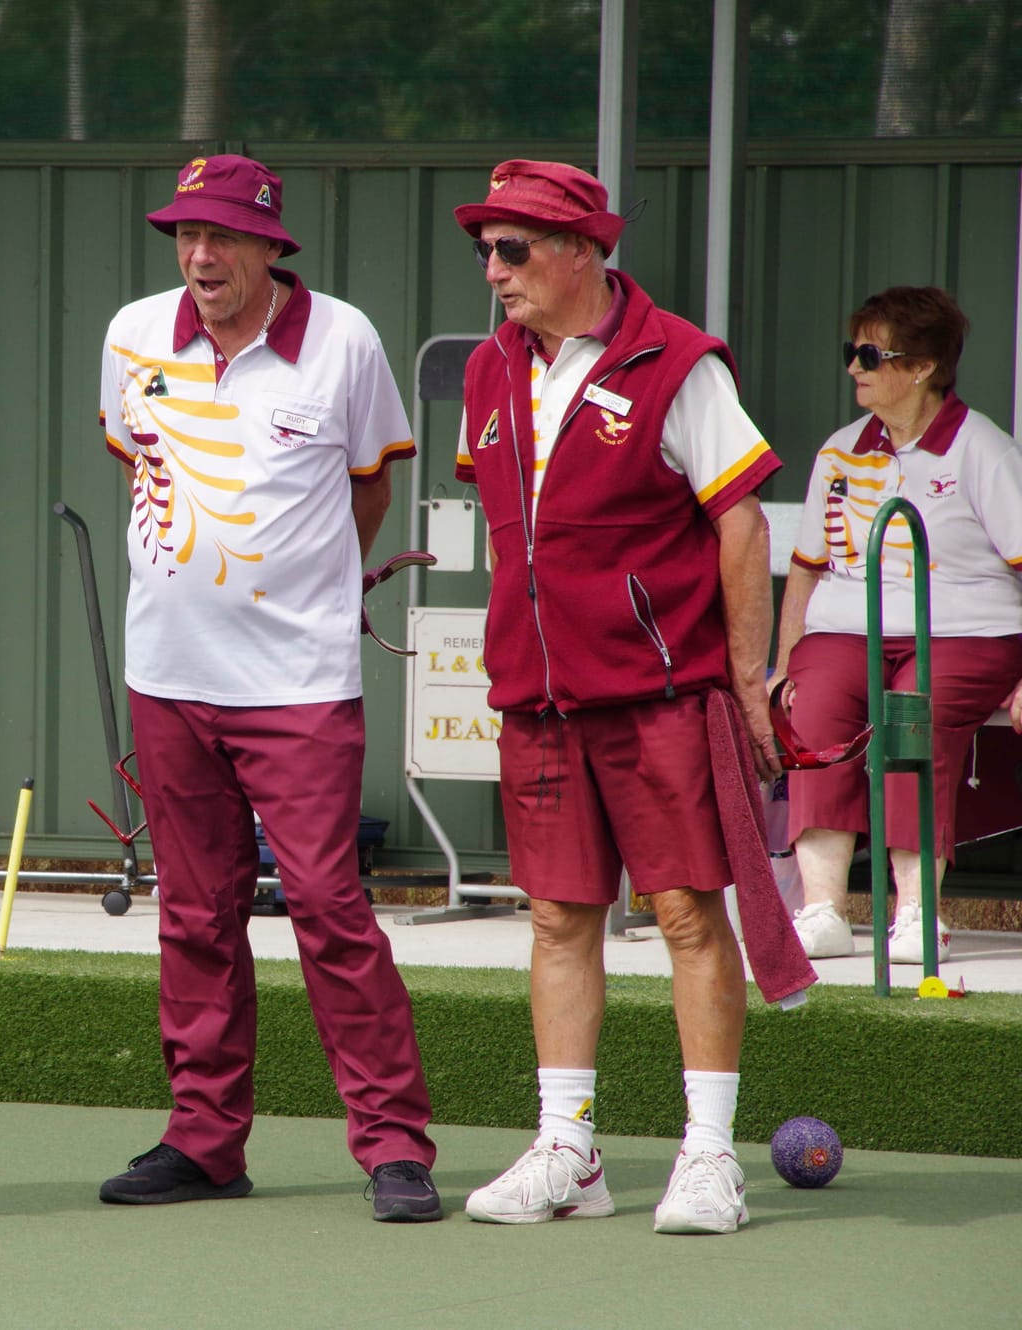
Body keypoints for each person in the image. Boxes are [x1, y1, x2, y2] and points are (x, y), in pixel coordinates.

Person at [451, 161, 805, 1235]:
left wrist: (743, 676)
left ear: (579, 251)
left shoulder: (678, 362)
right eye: (484, 250)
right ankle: (570, 1150)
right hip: (538, 699)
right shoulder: (485, 369)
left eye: (511, 250)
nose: (492, 271)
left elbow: (739, 521)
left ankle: (708, 1158)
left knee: (688, 915)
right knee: (557, 918)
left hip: (658, 692)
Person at [95, 154, 442, 1223]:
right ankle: (205, 1142)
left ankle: (392, 1146)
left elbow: (368, 487)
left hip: (298, 682)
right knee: (191, 913)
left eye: (220, 239)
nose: (198, 257)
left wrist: (306, 591)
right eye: (182, 238)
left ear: (267, 245)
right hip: (166, 676)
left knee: (330, 909)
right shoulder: (129, 333)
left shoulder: (344, 339)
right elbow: (132, 464)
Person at [773, 287, 1022, 963]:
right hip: (844, 631)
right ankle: (821, 910)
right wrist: (783, 663)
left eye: (869, 355)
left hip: (965, 633)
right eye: (850, 353)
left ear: (921, 368)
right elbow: (805, 568)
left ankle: (916, 915)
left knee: (911, 718)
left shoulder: (983, 451)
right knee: (815, 715)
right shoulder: (840, 449)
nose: (853, 367)